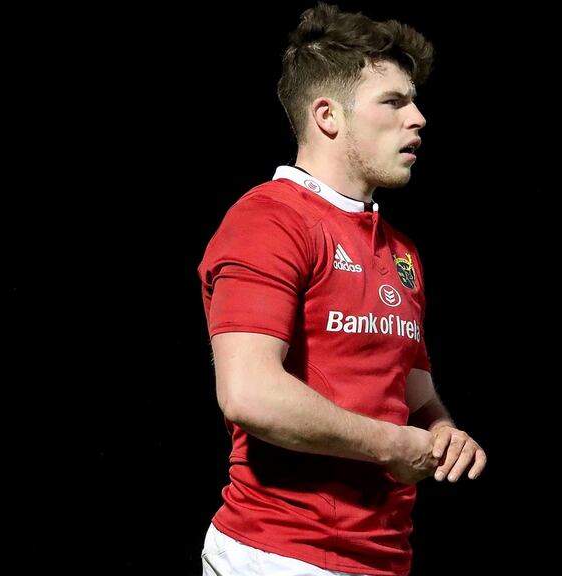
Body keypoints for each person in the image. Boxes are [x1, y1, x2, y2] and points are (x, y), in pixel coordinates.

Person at [196, 4, 486, 575]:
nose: (419, 118)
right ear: (328, 115)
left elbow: (417, 398)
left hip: (382, 558)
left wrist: (444, 434)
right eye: (394, 102)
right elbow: (249, 393)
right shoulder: (269, 220)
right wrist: (392, 445)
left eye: (414, 101)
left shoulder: (400, 251)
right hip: (278, 553)